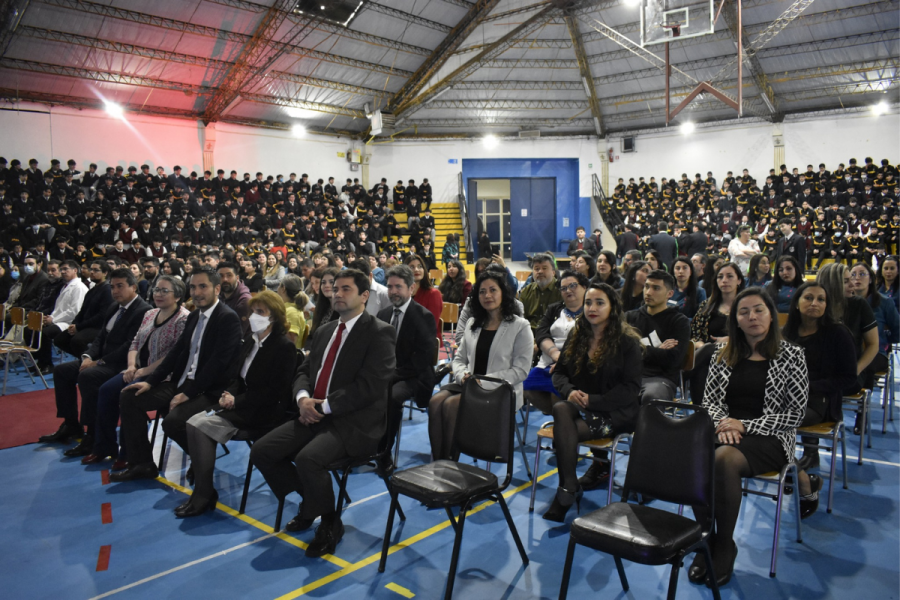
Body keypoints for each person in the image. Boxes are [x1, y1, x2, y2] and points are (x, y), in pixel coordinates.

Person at [249, 269, 395, 557]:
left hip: (354, 422)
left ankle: (330, 522)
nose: (337, 293)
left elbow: (370, 386)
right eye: (334, 288)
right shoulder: (326, 329)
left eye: (345, 289)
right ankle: (313, 501)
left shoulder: (379, 332)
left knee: (309, 459)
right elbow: (304, 370)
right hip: (314, 413)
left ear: (365, 296)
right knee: (262, 451)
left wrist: (322, 406)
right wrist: (303, 398)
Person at [690, 287, 808, 588]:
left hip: (771, 438)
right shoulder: (722, 353)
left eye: (758, 310)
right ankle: (706, 537)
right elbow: (710, 403)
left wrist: (743, 425)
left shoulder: (792, 355)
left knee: (723, 459)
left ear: (771, 315)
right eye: (744, 312)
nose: (752, 316)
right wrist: (724, 424)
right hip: (724, 430)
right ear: (736, 320)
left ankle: (725, 545)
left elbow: (795, 414)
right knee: (694, 453)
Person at [112, 266, 243, 482]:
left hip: (209, 390)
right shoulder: (194, 317)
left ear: (217, 289)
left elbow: (217, 365)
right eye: (193, 287)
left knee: (172, 421)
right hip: (181, 383)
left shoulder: (227, 318)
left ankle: (201, 458)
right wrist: (151, 382)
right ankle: (142, 463)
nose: (197, 292)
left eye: (203, 286)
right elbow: (177, 353)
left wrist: (188, 394)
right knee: (130, 396)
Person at [179, 291, 297, 517]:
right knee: (192, 423)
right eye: (253, 311)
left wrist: (237, 400)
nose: (254, 316)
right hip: (241, 404)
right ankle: (203, 491)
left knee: (199, 426)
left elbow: (274, 393)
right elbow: (237, 377)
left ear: (274, 317)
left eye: (260, 312)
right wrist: (228, 394)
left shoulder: (283, 347)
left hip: (264, 412)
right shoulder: (250, 341)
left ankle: (203, 494)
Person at [543, 282, 642, 521]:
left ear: (612, 307)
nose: (592, 308)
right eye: (588, 302)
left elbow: (631, 389)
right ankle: (568, 485)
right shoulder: (578, 336)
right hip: (581, 409)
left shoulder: (627, 342)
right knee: (561, 408)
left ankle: (566, 491)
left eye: (599, 303)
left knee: (564, 425)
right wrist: (569, 391)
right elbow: (559, 373)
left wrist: (594, 400)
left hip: (615, 415)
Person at [38, 268, 152, 453]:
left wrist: (99, 362)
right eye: (112, 287)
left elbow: (130, 346)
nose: (115, 291)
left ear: (133, 287)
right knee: (62, 371)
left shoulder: (143, 311)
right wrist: (88, 356)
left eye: (120, 286)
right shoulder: (115, 307)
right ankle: (70, 424)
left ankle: (92, 434)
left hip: (123, 364)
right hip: (102, 360)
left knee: (88, 376)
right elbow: (101, 337)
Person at [429, 270, 533, 460]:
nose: (487, 295)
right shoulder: (472, 323)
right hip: (469, 383)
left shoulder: (520, 326)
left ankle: (449, 465)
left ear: (504, 292)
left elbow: (521, 370)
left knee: (451, 405)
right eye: (482, 291)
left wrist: (481, 382)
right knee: (435, 402)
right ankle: (438, 462)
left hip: (499, 390)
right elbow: (458, 360)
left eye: (493, 290)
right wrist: (464, 376)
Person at [87, 276, 189, 465]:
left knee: (128, 396)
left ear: (178, 296)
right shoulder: (150, 314)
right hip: (140, 368)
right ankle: (104, 446)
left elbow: (174, 355)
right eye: (156, 290)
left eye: (164, 291)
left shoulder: (183, 319)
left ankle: (129, 454)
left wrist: (145, 371)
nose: (158, 294)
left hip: (165, 375)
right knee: (106, 390)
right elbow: (135, 342)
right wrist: (132, 366)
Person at [781, 282, 857, 475]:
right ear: (797, 303)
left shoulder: (838, 333)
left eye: (821, 299)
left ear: (826, 306)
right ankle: (790, 466)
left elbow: (848, 378)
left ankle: (793, 473)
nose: (814, 303)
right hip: (786, 398)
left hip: (821, 402)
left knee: (776, 422)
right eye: (808, 298)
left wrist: (808, 387)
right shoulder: (786, 333)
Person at [377, 264, 437, 470]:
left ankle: (383, 451)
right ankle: (362, 443)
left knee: (392, 396)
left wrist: (391, 375)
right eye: (390, 286)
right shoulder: (383, 314)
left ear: (411, 289)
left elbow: (422, 360)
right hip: (388, 374)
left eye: (398, 287)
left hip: (415, 376)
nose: (393, 291)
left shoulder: (424, 316)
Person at [525, 270, 588, 415]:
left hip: (574, 363)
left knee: (557, 390)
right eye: (564, 288)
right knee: (526, 386)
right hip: (548, 359)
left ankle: (562, 425)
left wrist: (564, 361)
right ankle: (558, 416)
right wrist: (555, 354)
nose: (568, 291)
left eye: (573, 286)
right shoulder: (554, 309)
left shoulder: (590, 311)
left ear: (584, 287)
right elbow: (542, 333)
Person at [625, 270, 691, 405]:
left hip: (661, 379)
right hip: (628, 376)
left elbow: (674, 359)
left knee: (651, 397)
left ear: (670, 294)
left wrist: (638, 349)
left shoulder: (679, 321)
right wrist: (658, 350)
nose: (648, 292)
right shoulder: (629, 317)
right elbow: (620, 352)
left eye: (656, 288)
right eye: (647, 286)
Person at [690, 262, 746, 405]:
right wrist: (700, 343)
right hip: (708, 359)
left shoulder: (746, 307)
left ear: (739, 280)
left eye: (729, 276)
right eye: (720, 277)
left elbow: (755, 333)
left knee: (708, 351)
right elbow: (694, 333)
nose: (724, 280)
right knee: (706, 358)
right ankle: (702, 412)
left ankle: (685, 371)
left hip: (738, 354)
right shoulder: (707, 306)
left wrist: (731, 339)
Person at [33, 260, 88, 372]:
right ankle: (40, 361)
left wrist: (53, 319)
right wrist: (49, 317)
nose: (62, 272)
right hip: (59, 320)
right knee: (32, 329)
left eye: (65, 269)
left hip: (69, 322)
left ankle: (48, 364)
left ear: (75, 270)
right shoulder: (65, 286)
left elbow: (75, 311)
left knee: (45, 333)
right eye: (61, 269)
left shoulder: (79, 287)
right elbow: (58, 308)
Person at [519, 253, 561, 333]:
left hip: (553, 335)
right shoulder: (526, 291)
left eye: (544, 268)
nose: (540, 271)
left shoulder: (561, 290)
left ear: (553, 272)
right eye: (536, 269)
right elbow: (520, 319)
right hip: (529, 334)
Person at [405, 253, 442, 338]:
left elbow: (431, 325)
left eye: (420, 266)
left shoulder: (433, 294)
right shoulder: (403, 294)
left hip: (426, 340)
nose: (416, 270)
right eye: (412, 267)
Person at [217, 261, 251, 339]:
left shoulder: (244, 301)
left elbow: (237, 336)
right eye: (221, 276)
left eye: (229, 275)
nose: (225, 279)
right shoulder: (220, 295)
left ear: (237, 278)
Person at [277, 274, 309, 350]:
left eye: (279, 285)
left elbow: (290, 343)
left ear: (283, 288)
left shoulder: (292, 312)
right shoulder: (285, 308)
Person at [309, 267, 339, 338]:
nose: (327, 285)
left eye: (331, 282)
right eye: (323, 282)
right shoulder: (321, 308)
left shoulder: (343, 311)